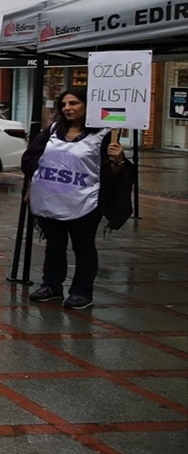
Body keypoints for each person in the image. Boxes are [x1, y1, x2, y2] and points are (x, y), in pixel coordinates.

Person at [23, 88, 133, 310]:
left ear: (87, 106)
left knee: (83, 247)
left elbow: (112, 174)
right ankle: (51, 285)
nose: (68, 108)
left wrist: (118, 161)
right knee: (54, 245)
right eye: (64, 104)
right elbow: (30, 159)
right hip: (50, 199)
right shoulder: (53, 130)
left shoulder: (102, 135)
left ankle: (82, 291)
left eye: (74, 103)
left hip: (84, 202)